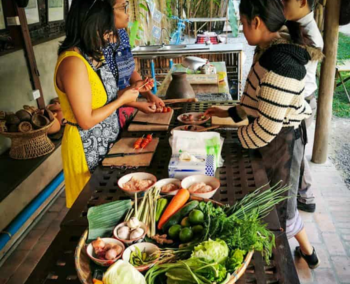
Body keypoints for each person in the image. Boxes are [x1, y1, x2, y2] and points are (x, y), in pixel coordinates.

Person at [205, 0, 322, 269]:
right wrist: (225, 113)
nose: (242, 30)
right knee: (279, 202)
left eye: (243, 23)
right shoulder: (269, 50)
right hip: (275, 138)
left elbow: (266, 129)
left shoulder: (281, 62)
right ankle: (309, 253)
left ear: (256, 22)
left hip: (282, 142)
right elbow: (258, 103)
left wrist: (229, 143)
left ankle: (280, 266)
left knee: (279, 211)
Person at [54, 0, 148, 208]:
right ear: (93, 25)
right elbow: (86, 120)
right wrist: (123, 100)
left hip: (105, 143)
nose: (111, 36)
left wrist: (131, 92)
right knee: (91, 208)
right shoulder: (73, 63)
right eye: (108, 30)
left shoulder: (93, 57)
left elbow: (107, 97)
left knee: (111, 202)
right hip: (86, 146)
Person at [282, 0, 324, 213]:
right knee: (295, 150)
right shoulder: (297, 25)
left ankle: (303, 199)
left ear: (302, 2)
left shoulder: (311, 35)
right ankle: (306, 196)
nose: (281, 4)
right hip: (300, 100)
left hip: (302, 102)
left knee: (295, 152)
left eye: (284, 0)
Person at [103, 0, 165, 128]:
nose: (128, 12)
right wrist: (137, 104)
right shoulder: (96, 44)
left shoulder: (122, 34)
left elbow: (130, 71)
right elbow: (102, 96)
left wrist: (149, 95)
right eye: (123, 7)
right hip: (105, 121)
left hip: (125, 113)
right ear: (103, 11)